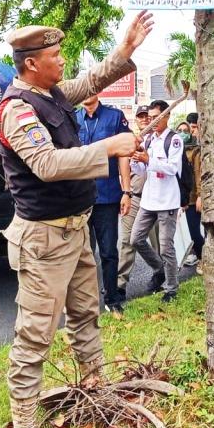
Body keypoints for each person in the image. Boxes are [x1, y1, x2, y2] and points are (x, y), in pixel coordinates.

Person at [0, 12, 152, 428]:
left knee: (86, 314)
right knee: (35, 334)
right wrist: (108, 146)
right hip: (43, 239)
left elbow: (92, 80)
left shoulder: (53, 94)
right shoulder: (18, 110)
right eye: (54, 55)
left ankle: (94, 388)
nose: (62, 61)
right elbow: (46, 165)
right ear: (30, 64)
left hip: (77, 230)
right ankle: (25, 425)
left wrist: (126, 50)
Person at [75, 95, 132, 314]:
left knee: (108, 251)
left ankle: (112, 298)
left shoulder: (114, 117)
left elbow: (123, 155)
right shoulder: (73, 118)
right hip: (79, 197)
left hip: (107, 196)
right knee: (82, 254)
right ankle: (83, 302)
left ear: (98, 92)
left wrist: (127, 191)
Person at [129, 99, 183, 303]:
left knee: (166, 246)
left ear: (167, 116)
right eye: (149, 118)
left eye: (156, 118)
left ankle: (171, 288)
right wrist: (136, 161)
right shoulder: (149, 140)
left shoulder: (174, 140)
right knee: (136, 238)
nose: (152, 122)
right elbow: (143, 170)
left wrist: (148, 161)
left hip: (168, 201)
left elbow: (172, 169)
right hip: (148, 199)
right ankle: (159, 269)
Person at [117, 105, 158, 294]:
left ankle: (160, 275)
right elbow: (121, 170)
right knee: (127, 241)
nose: (144, 120)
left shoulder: (159, 140)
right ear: (136, 120)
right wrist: (125, 194)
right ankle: (119, 285)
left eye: (147, 117)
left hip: (156, 200)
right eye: (141, 117)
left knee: (159, 243)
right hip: (134, 198)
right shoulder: (129, 142)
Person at [182, 112, 205, 269]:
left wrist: (200, 196)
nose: (189, 132)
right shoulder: (180, 148)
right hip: (183, 198)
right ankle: (199, 256)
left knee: (196, 232)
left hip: (195, 197)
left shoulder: (197, 150)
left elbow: (199, 174)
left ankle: (204, 258)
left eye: (192, 128)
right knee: (190, 232)